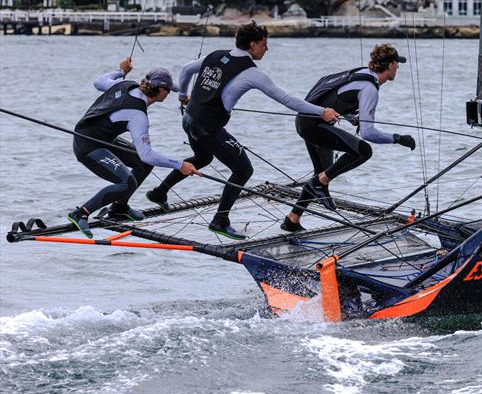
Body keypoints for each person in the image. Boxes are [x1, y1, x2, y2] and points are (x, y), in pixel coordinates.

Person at [145, 21, 339, 240]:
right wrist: (322, 112)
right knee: (243, 170)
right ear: (253, 44)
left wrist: (182, 96)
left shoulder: (215, 55)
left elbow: (187, 69)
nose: (267, 49)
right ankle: (220, 220)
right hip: (208, 126)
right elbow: (287, 100)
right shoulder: (252, 73)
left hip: (189, 119)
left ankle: (159, 192)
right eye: (265, 45)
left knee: (203, 157)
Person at [281, 43, 416, 232]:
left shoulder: (362, 74)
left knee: (321, 174)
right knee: (363, 151)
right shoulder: (370, 89)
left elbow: (336, 98)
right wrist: (398, 138)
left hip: (307, 121)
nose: (398, 67)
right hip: (314, 125)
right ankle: (318, 184)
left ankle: (292, 220)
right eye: (396, 63)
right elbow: (368, 134)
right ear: (390, 65)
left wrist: (350, 116)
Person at [67, 57, 197, 238]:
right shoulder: (138, 115)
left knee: (142, 164)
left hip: (103, 139)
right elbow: (147, 154)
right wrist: (180, 165)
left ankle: (119, 208)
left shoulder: (126, 84)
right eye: (168, 91)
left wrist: (121, 72)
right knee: (126, 183)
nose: (168, 95)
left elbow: (99, 82)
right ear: (160, 91)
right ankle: (81, 213)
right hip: (88, 145)